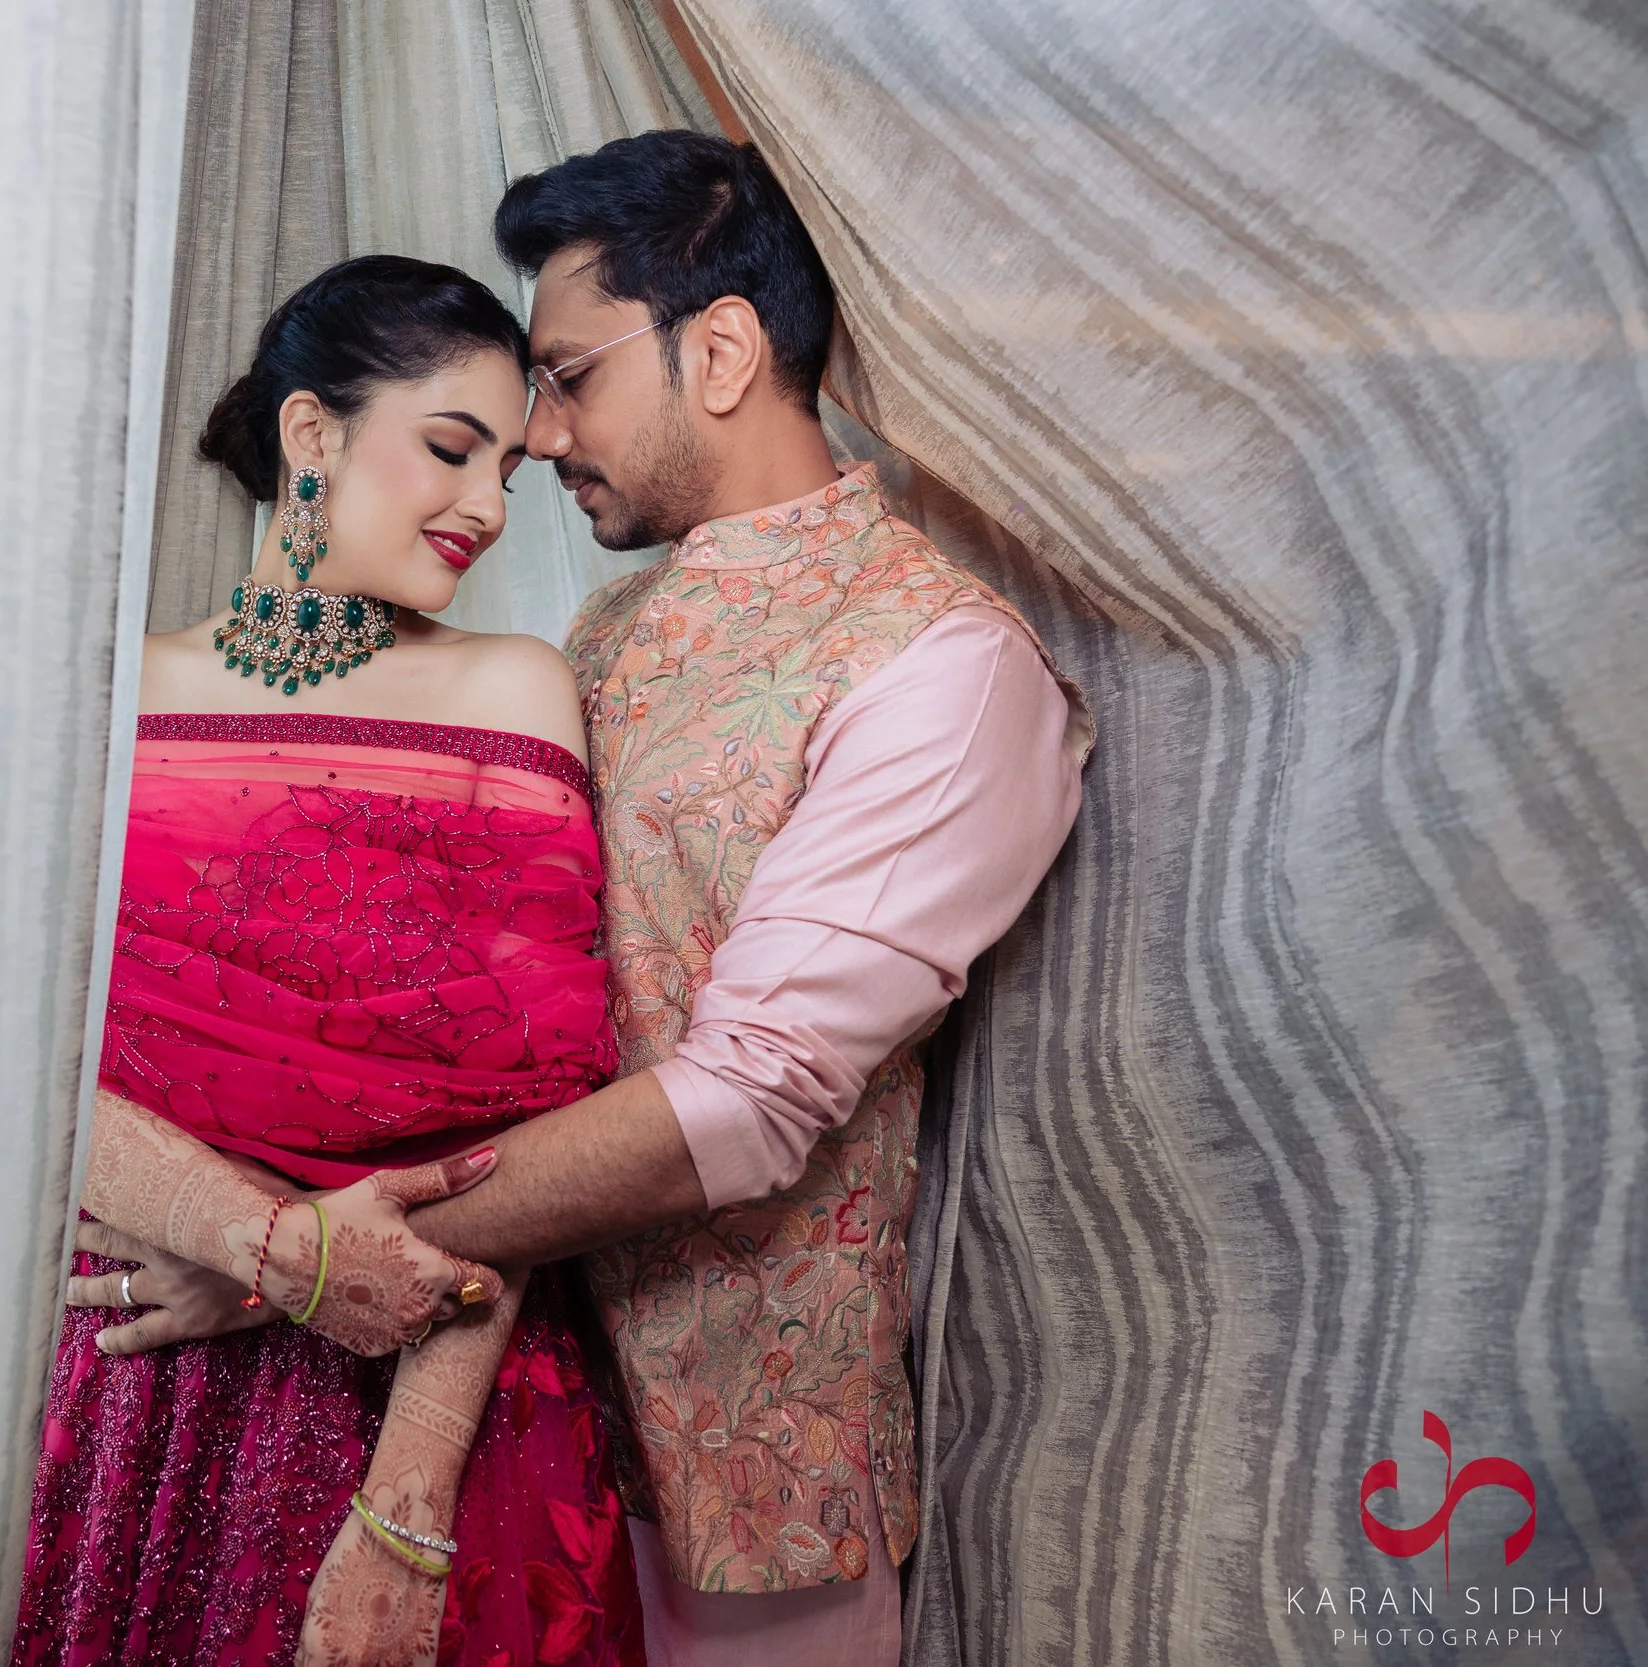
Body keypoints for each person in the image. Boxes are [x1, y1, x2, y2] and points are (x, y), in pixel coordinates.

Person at [94, 133, 1095, 1667]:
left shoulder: (943, 665)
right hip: (490, 1407)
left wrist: (283, 1254)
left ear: (724, 352)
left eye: (565, 376)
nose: (540, 437)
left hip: (737, 1493)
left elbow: (750, 1100)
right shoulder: (603, 632)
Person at [12, 255, 646, 1667]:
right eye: (451, 449)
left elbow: (520, 1139)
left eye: (508, 472)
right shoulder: (110, 695)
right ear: (312, 432)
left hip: (438, 1393)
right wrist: (271, 1253)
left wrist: (406, 1509)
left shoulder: (509, 690)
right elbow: (11, 1054)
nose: (490, 506)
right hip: (133, 1375)